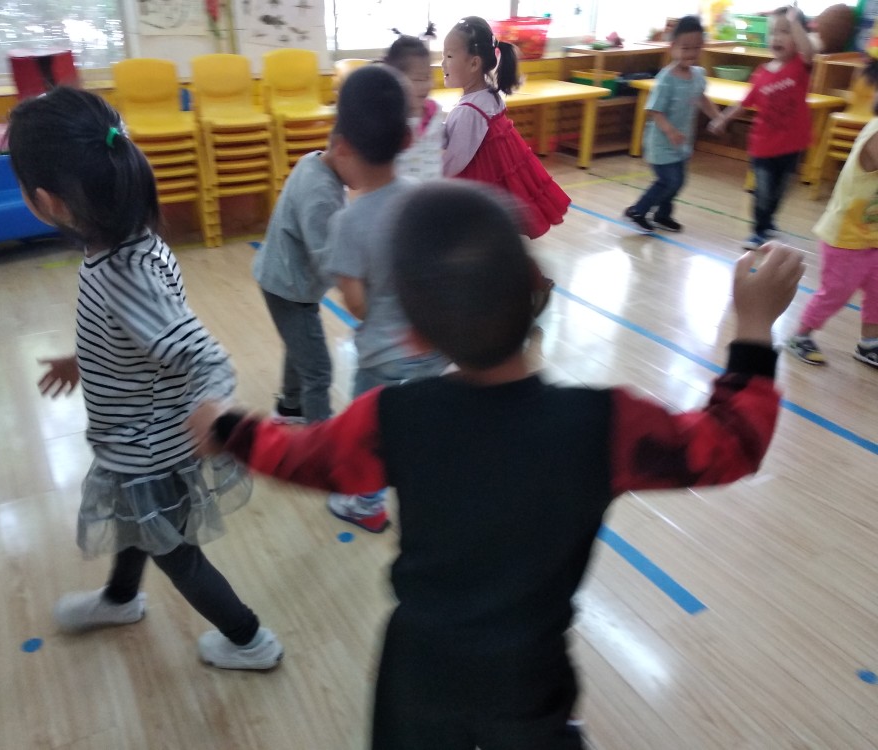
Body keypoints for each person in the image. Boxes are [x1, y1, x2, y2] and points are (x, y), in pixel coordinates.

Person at [193, 181, 805, 749]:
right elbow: (732, 445)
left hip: (420, 671)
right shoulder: (605, 425)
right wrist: (754, 325)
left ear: (414, 336)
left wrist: (228, 428)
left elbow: (303, 457)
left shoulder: (393, 417)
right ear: (539, 290)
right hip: (528, 674)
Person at [8, 87, 282, 671]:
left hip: (150, 450)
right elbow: (138, 333)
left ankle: (249, 639)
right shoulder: (132, 245)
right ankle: (120, 599)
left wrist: (215, 406)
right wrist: (83, 358)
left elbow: (205, 356)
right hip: (132, 440)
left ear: (46, 202)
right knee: (135, 528)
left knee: (176, 555)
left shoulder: (122, 274)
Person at [325, 64, 450, 533]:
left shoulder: (347, 223)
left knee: (369, 435)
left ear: (342, 146)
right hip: (431, 350)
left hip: (382, 359)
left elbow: (357, 305)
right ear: (407, 139)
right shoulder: (425, 199)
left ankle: (366, 504)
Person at [441, 15, 570, 239]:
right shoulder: (490, 94)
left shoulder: (468, 111)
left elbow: (453, 163)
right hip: (494, 184)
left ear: (474, 63)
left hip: (477, 188)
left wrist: (428, 175)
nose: (443, 63)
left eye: (449, 56)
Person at [786, 58, 878, 369]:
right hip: (846, 235)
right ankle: (800, 335)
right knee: (836, 292)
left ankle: (870, 343)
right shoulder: (876, 133)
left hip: (872, 234)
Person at [254, 135, 349, 424]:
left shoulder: (312, 160)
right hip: (289, 287)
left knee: (300, 346)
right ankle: (322, 437)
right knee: (318, 370)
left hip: (282, 278)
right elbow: (329, 260)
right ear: (343, 150)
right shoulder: (321, 194)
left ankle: (290, 406)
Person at [709, 6, 814, 250]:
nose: (777, 38)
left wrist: (795, 22)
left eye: (785, 32)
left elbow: (809, 50)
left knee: (779, 192)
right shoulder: (761, 74)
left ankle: (767, 223)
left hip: (791, 146)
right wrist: (722, 119)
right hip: (763, 146)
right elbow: (743, 104)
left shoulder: (800, 67)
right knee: (763, 191)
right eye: (773, 32)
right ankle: (758, 231)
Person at [624, 15, 722, 234]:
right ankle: (638, 210)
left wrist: (717, 117)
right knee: (668, 180)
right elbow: (654, 110)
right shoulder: (666, 79)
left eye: (696, 48)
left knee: (678, 181)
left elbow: (702, 98)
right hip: (661, 143)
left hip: (681, 143)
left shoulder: (698, 75)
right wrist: (670, 131)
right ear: (673, 47)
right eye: (685, 48)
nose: (691, 53)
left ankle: (663, 215)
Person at [385, 34, 444, 181]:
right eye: (418, 79)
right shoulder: (389, 120)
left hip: (432, 190)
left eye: (428, 77)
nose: (427, 85)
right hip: (402, 193)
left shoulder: (435, 113)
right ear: (395, 80)